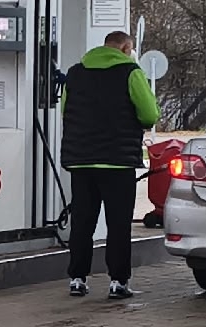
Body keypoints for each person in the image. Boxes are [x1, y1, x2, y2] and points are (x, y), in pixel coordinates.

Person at [60, 30, 161, 298]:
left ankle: (77, 279)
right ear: (126, 48)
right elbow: (149, 114)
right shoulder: (131, 72)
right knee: (118, 224)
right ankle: (118, 282)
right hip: (117, 162)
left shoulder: (75, 73)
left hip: (81, 160)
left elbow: (65, 110)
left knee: (82, 222)